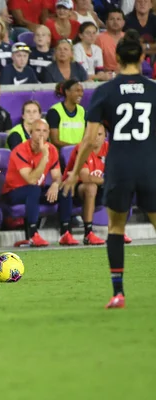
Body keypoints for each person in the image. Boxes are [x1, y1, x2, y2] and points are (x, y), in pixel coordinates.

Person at [62, 29, 156, 309]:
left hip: (120, 168)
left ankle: (118, 294)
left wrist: (72, 172)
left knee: (116, 227)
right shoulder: (153, 89)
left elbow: (90, 140)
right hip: (150, 166)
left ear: (115, 57)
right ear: (142, 57)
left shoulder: (105, 91)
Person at [3, 119, 77, 247]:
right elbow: (31, 180)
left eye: (44, 131)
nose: (41, 134)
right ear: (31, 132)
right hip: (13, 192)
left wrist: (55, 184)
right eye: (38, 130)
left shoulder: (52, 149)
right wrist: (44, 156)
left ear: (48, 134)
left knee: (65, 188)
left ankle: (65, 233)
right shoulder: (20, 150)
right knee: (34, 189)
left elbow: (57, 176)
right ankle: (33, 235)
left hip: (35, 190)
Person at [62, 124, 109, 246]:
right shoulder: (82, 148)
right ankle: (88, 234)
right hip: (74, 190)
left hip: (98, 188)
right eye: (93, 134)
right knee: (91, 187)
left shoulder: (109, 149)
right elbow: (85, 177)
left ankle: (117, 232)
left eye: (100, 134)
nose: (96, 138)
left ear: (105, 136)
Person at [47, 79, 85, 149]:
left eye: (82, 91)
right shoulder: (54, 111)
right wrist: (73, 148)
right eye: (77, 91)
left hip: (79, 153)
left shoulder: (82, 111)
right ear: (67, 92)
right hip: (61, 154)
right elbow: (55, 141)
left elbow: (86, 136)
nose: (81, 94)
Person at [95, 8, 125, 74]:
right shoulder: (99, 38)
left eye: (118, 19)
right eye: (112, 19)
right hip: (107, 74)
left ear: (123, 22)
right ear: (106, 22)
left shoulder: (128, 37)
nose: (115, 22)